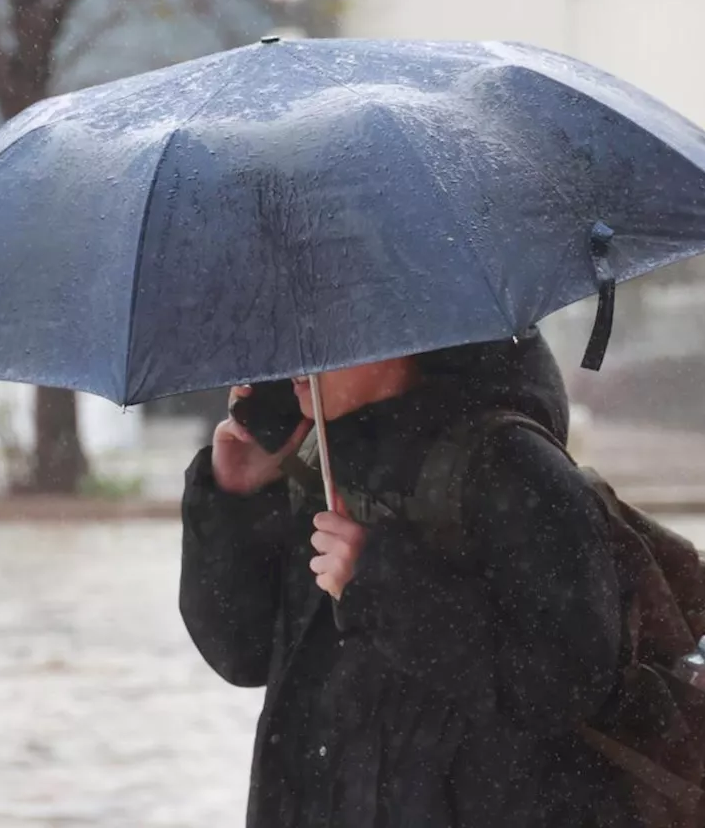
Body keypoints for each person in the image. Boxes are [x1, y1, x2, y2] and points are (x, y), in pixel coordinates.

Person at [179, 333, 631, 828]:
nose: (296, 353)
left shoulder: (513, 467)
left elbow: (566, 684)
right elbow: (242, 654)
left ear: (404, 337)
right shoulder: (320, 462)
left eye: (322, 327)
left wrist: (377, 578)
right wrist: (234, 500)